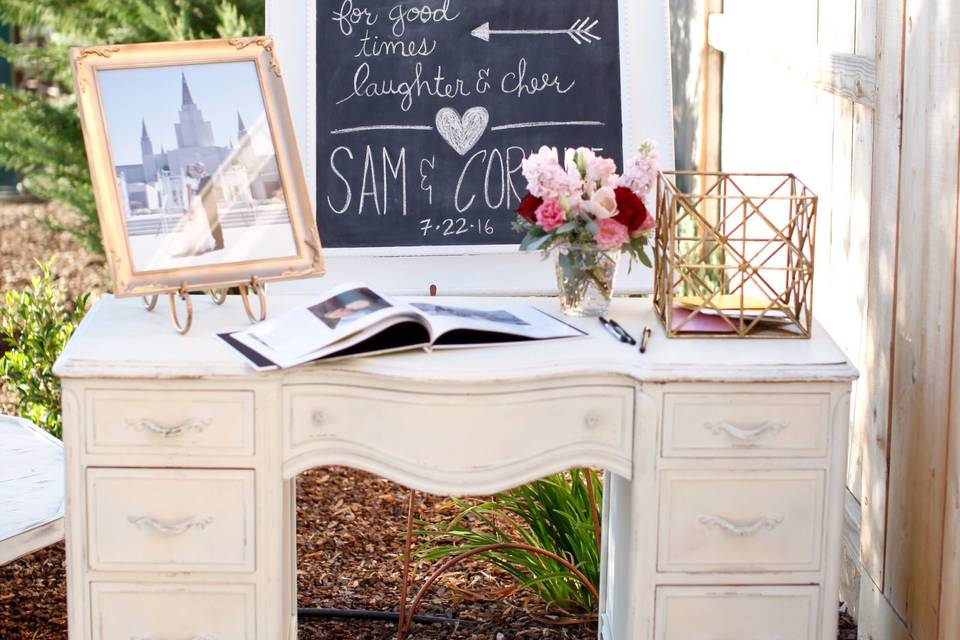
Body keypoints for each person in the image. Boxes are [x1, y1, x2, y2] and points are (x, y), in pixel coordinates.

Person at [193, 162, 225, 251]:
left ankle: (220, 243)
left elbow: (209, 188)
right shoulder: (199, 178)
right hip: (205, 203)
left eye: (197, 167)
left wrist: (197, 190)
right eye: (196, 167)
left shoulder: (208, 177)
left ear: (203, 168)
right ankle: (217, 242)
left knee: (215, 223)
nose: (196, 168)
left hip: (210, 202)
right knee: (211, 224)